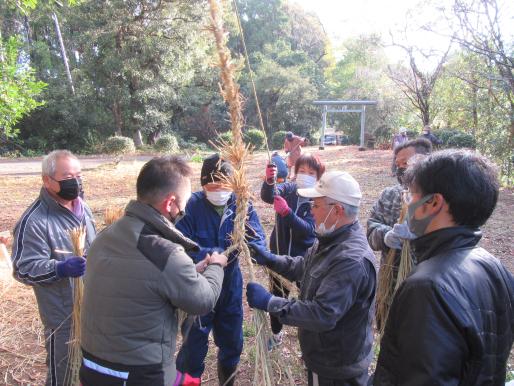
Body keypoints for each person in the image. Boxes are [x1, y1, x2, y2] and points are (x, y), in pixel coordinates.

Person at [79, 156, 227, 386]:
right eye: (183, 206)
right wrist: (216, 266)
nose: (183, 213)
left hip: (91, 366)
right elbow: (203, 301)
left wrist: (188, 273)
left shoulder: (104, 237)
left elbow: (136, 282)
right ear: (170, 204)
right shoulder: (165, 252)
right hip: (140, 374)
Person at [374, 150, 514, 385]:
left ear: (434, 203)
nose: (407, 204)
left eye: (411, 195)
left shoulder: (427, 287)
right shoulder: (496, 268)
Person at [247, 171, 377, 386]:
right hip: (324, 356)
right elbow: (304, 266)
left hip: (336, 367)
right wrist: (270, 259)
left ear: (337, 210)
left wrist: (271, 302)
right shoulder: (330, 238)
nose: (311, 211)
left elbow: (321, 314)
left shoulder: (350, 260)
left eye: (316, 206)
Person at [175, 153, 266, 386]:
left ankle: (228, 380)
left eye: (223, 185)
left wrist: (252, 246)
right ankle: (189, 379)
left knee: (232, 343)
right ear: (203, 185)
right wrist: (213, 255)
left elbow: (257, 239)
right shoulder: (190, 206)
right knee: (192, 347)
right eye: (212, 186)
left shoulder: (240, 204)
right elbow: (181, 244)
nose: (218, 191)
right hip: (197, 285)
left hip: (230, 285)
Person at [11, 150, 96, 386]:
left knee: (92, 370)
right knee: (65, 374)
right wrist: (60, 268)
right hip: (63, 317)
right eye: (68, 176)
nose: (76, 181)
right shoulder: (35, 221)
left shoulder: (83, 208)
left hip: (93, 308)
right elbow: (23, 268)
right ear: (47, 180)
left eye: (78, 175)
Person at [261, 153, 325, 349]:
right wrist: (269, 181)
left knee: (307, 299)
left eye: (311, 172)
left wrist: (287, 213)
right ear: (295, 173)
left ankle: (309, 340)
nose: (305, 175)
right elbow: (269, 195)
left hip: (303, 260)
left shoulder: (319, 200)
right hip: (280, 255)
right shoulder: (289, 188)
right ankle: (276, 333)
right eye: (301, 171)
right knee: (277, 295)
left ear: (318, 176)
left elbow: (309, 229)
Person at [367, 139, 432, 291]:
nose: (401, 169)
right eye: (398, 165)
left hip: (427, 285)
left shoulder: (438, 200)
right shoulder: (389, 195)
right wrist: (386, 236)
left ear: (425, 160)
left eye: (405, 162)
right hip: (390, 285)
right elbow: (371, 231)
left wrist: (421, 237)